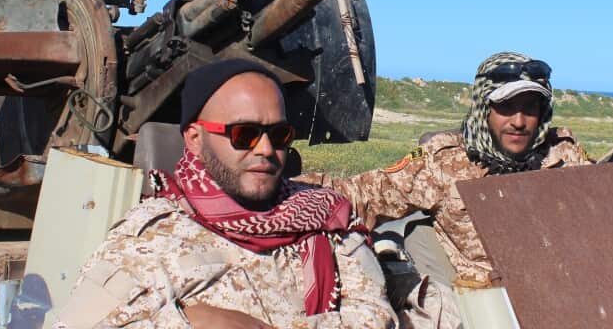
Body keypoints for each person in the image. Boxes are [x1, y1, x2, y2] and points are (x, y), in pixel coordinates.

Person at [56, 58, 397, 329]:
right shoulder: (150, 240)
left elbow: (375, 318)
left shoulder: (324, 218)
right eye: (244, 133)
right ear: (194, 138)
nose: (265, 149)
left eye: (278, 134)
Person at [302, 51, 593, 288]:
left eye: (530, 108)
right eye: (506, 106)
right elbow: (364, 194)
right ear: (484, 107)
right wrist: (288, 192)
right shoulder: (444, 161)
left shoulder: (564, 156)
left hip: (561, 291)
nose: (519, 121)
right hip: (479, 301)